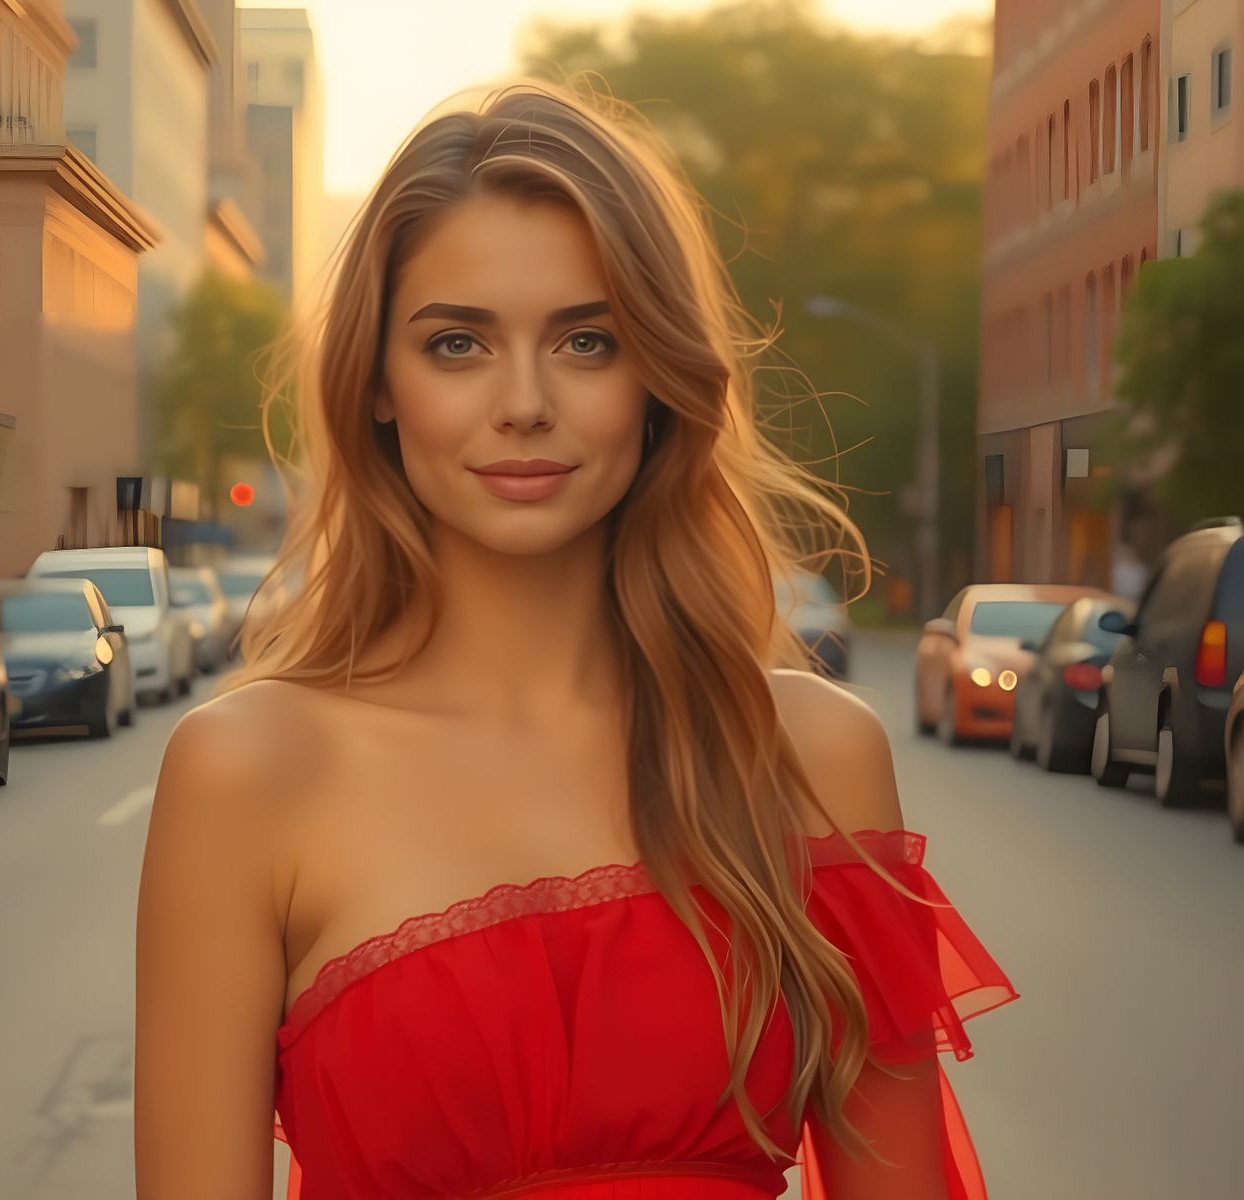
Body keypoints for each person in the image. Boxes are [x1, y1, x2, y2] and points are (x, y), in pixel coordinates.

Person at [134, 80, 1018, 1200]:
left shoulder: (814, 754)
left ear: (655, 376)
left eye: (586, 341)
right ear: (376, 387)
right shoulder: (249, 773)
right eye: (456, 344)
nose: (523, 403)